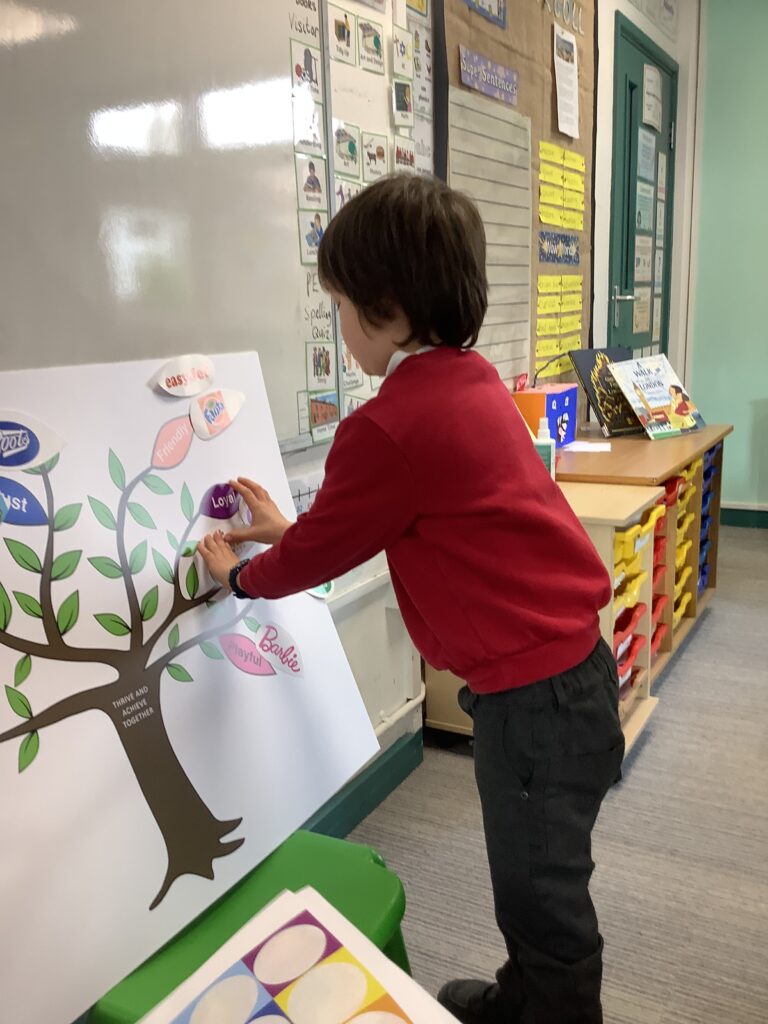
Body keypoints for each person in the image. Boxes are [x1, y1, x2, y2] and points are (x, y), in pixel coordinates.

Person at [198, 174, 624, 1024]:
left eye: (339, 305)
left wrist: (240, 576)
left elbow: (329, 547)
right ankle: (525, 997)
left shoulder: (391, 424)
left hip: (533, 706)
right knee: (533, 874)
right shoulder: (466, 384)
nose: (338, 324)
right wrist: (291, 527)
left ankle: (554, 1007)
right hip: (569, 679)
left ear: (381, 307)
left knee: (543, 894)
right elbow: (379, 515)